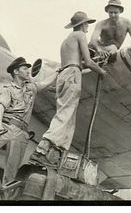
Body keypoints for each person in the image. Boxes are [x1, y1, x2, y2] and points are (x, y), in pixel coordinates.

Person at [30, 11, 107, 167]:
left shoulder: (66, 41)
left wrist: (92, 67)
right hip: (72, 74)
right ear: (82, 24)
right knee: (66, 113)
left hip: (65, 74)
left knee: (67, 113)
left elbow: (77, 65)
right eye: (87, 24)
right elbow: (88, 62)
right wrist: (102, 71)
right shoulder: (79, 36)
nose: (87, 27)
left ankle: (57, 153)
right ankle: (44, 147)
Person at [0, 57, 57, 186]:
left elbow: (45, 83)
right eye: (25, 68)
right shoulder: (8, 89)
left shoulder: (31, 88)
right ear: (16, 71)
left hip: (21, 134)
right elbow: (0, 107)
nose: (28, 71)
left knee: (11, 176)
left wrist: (58, 71)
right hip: (5, 126)